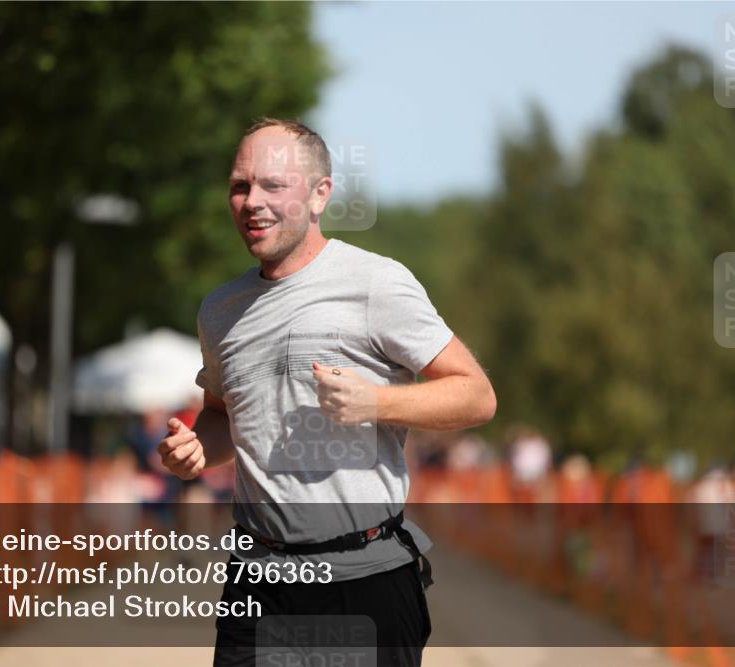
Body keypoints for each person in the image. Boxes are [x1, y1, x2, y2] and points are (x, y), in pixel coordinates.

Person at [158, 118, 497, 666]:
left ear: (320, 195)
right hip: (258, 585)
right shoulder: (219, 311)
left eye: (272, 185)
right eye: (240, 186)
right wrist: (196, 449)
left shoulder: (374, 282)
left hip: (363, 579)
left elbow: (476, 395)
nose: (251, 201)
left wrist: (377, 402)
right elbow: (222, 419)